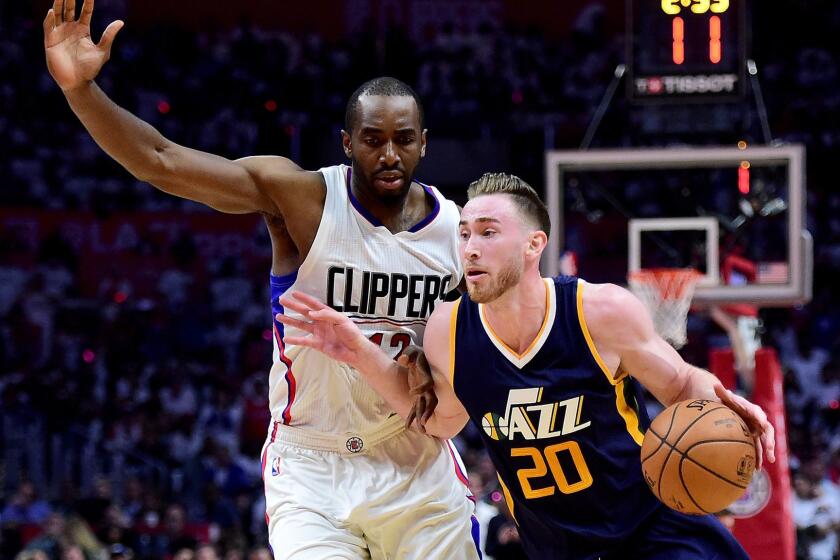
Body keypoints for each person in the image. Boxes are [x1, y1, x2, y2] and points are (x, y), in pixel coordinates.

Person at [43, 1, 479, 558]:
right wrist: (81, 91)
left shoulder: (460, 235)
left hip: (414, 457)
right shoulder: (302, 199)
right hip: (311, 464)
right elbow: (162, 160)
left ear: (424, 142)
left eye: (403, 139)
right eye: (372, 139)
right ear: (347, 143)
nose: (389, 154)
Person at [275, 172, 777, 559]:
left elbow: (681, 382)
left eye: (489, 233)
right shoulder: (451, 330)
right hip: (554, 548)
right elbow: (438, 420)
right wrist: (357, 350)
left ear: (535, 244)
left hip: (650, 529)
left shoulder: (598, 311)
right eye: (465, 233)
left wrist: (728, 404)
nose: (470, 247)